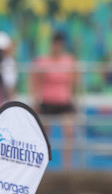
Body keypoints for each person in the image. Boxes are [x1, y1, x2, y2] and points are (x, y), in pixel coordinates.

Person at [30, 31, 78, 169]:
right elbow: (36, 83)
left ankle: (67, 167)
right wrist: (35, 102)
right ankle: (42, 167)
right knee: (43, 137)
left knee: (69, 133)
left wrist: (75, 101)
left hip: (64, 102)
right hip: (47, 101)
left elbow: (74, 83)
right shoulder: (43, 61)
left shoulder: (69, 61)